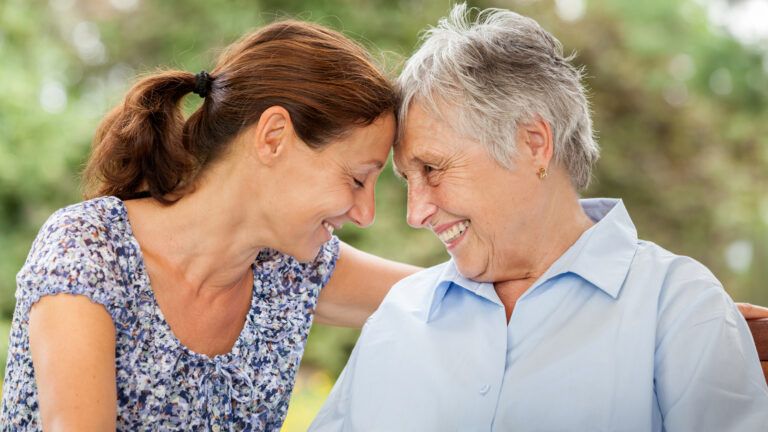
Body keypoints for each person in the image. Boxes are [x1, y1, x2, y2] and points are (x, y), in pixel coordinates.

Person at [310, 5, 768, 431]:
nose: (416, 212)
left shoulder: (679, 307)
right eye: (407, 178)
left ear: (533, 143)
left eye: (432, 169)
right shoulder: (399, 313)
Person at [0, 20, 418, 431]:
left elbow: (451, 297)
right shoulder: (90, 249)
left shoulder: (290, 268)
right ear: (273, 136)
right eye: (357, 179)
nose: (366, 214)